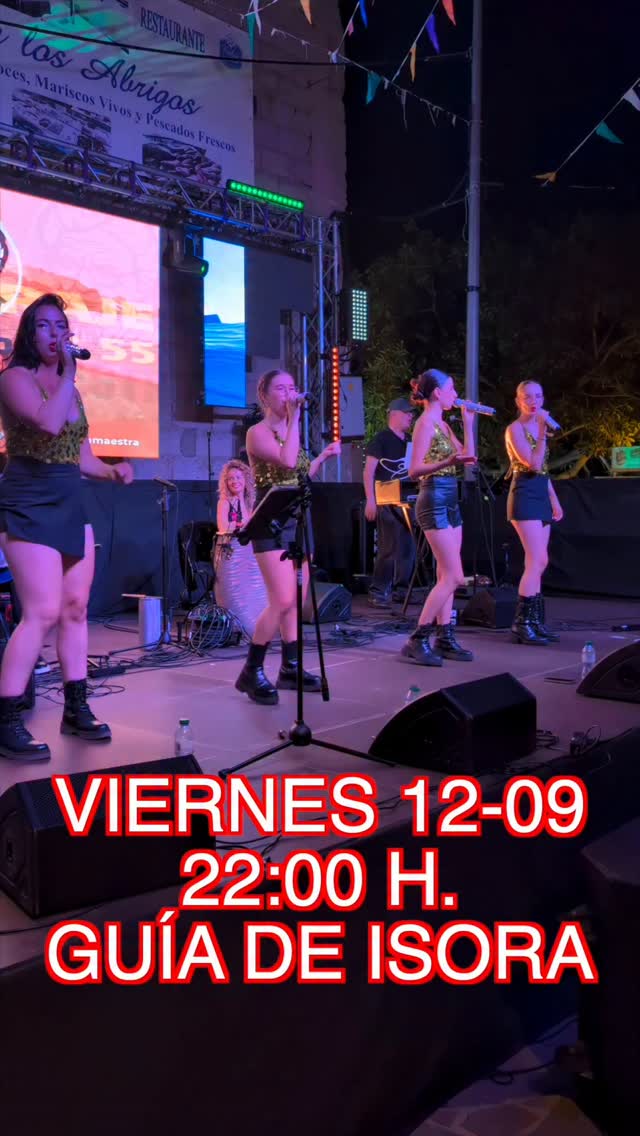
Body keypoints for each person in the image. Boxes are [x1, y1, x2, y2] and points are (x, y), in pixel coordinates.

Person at [0, 293, 134, 762]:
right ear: (29, 334)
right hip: (28, 500)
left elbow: (81, 456)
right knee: (41, 611)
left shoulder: (68, 389)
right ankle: (6, 718)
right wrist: (70, 374)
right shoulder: (14, 378)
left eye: (62, 325)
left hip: (70, 501)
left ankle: (76, 708)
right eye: (45, 326)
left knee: (76, 608)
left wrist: (112, 471)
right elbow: (48, 425)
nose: (55, 334)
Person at [235, 369, 340, 705]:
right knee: (281, 600)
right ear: (264, 396)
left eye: (292, 387)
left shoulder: (291, 430)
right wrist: (295, 418)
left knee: (296, 600)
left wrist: (322, 457)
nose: (289, 394)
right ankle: (251, 669)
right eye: (280, 389)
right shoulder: (257, 433)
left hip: (298, 517)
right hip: (272, 520)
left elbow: (302, 472)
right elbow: (288, 460)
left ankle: (290, 667)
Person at [400, 369, 477, 666]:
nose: (456, 395)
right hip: (432, 496)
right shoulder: (424, 424)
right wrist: (447, 461)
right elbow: (414, 470)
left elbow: (469, 457)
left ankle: (445, 637)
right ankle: (417, 638)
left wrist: (468, 424)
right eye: (452, 389)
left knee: (447, 575)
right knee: (455, 576)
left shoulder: (443, 424)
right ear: (437, 393)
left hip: (450, 495)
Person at [505, 380, 563, 645]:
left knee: (539, 561)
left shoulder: (538, 428)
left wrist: (554, 500)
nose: (533, 401)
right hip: (525, 493)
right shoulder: (515, 429)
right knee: (537, 559)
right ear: (518, 401)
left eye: (538, 396)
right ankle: (521, 624)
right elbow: (533, 464)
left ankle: (535, 622)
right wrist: (541, 432)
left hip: (540, 492)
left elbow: (544, 470)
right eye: (527, 397)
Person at [364, 397, 416, 607]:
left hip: (406, 499)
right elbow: (369, 472)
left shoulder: (410, 441)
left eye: (411, 413)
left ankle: (401, 590)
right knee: (388, 547)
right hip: (386, 500)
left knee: (408, 547)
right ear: (394, 414)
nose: (410, 416)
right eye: (407, 413)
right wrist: (371, 500)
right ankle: (378, 591)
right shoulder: (381, 439)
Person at [213, 459, 267, 639]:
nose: (234, 481)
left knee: (253, 589)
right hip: (231, 551)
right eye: (230, 479)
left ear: (245, 480)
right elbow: (223, 527)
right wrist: (239, 524)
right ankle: (237, 629)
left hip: (248, 551)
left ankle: (257, 628)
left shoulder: (250, 501)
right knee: (233, 593)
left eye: (238, 477)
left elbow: (249, 523)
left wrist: (242, 503)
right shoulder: (224, 502)